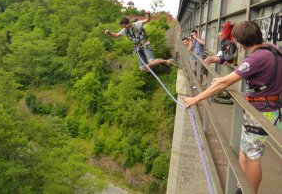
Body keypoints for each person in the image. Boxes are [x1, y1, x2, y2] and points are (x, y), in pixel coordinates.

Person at [183, 21, 282, 193]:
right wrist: (222, 80)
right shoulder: (273, 49)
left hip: (259, 113)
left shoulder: (255, 58)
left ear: (241, 41)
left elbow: (225, 84)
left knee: (252, 156)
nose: (234, 42)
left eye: (235, 40)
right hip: (271, 107)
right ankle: (242, 183)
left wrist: (195, 99)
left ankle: (249, 190)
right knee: (246, 149)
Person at [104, 11, 176, 71]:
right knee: (142, 69)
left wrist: (148, 14)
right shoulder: (125, 30)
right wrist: (109, 32)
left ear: (128, 23)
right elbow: (116, 35)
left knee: (152, 62)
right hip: (138, 49)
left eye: (125, 26)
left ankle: (167, 61)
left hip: (145, 45)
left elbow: (147, 20)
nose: (124, 28)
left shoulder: (137, 24)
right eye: (123, 27)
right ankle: (156, 62)